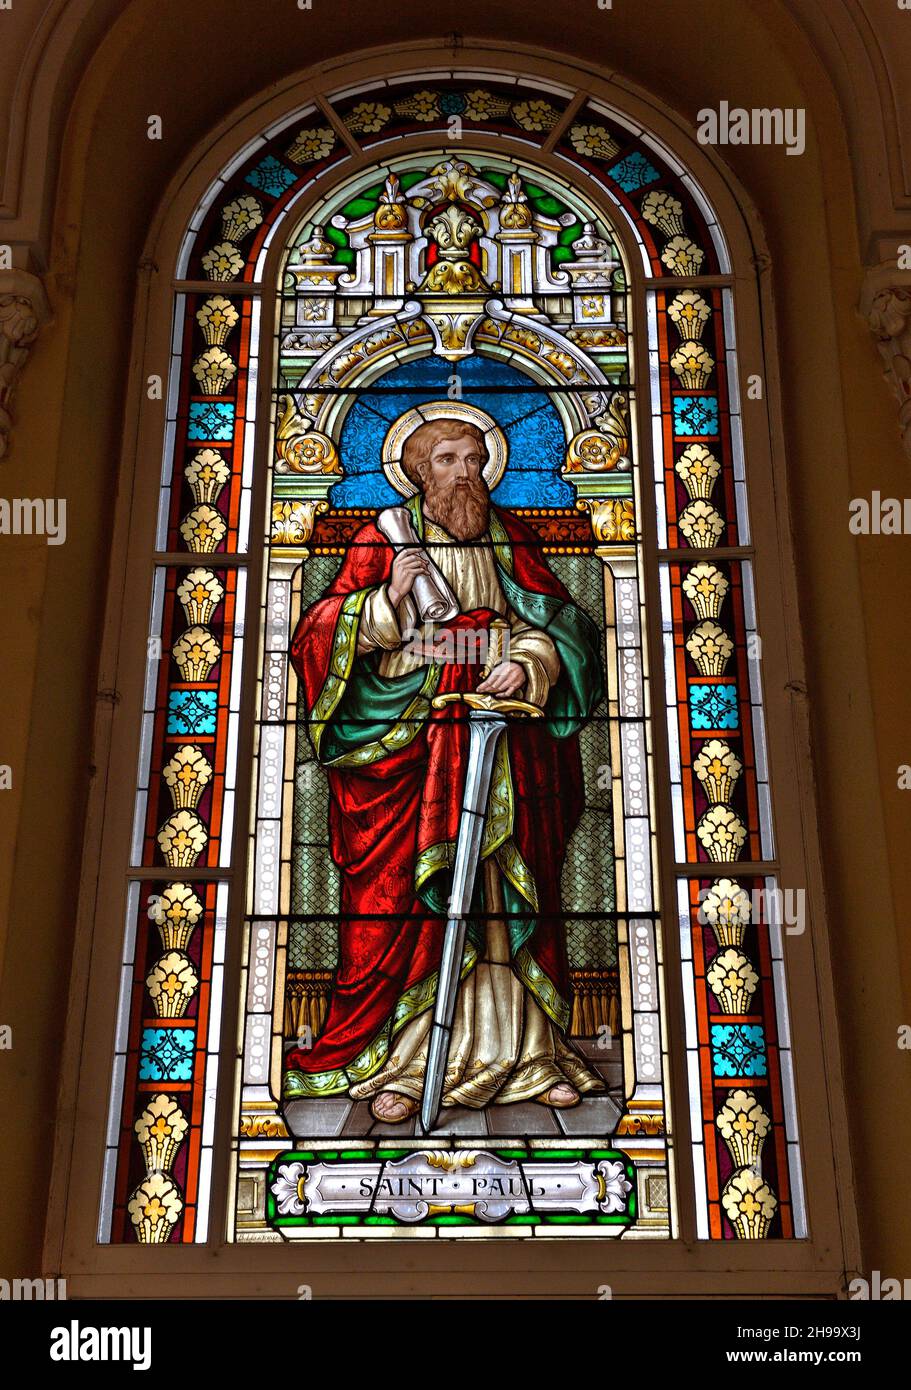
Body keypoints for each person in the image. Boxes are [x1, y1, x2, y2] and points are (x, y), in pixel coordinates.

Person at [284, 417, 607, 1122]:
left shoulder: (508, 539)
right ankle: (402, 1062)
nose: (464, 472)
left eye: (476, 459)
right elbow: (316, 635)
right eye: (448, 459)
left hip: (498, 748)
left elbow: (561, 627)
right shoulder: (384, 539)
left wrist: (526, 663)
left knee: (497, 903)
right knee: (413, 903)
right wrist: (385, 600)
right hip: (412, 755)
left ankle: (530, 1056)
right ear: (417, 470)